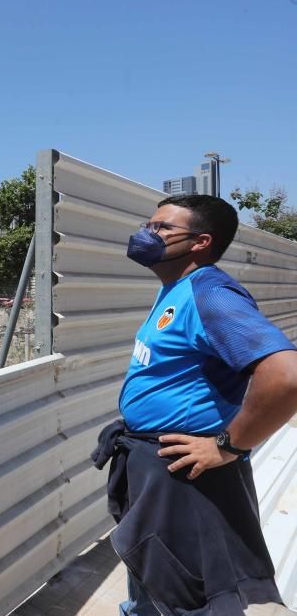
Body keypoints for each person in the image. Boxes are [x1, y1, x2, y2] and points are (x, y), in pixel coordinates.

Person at [92, 194, 297, 615]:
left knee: (187, 589)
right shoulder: (177, 289)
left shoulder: (211, 295)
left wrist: (228, 446)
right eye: (149, 225)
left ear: (201, 241)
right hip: (153, 460)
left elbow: (286, 376)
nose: (146, 235)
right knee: (153, 573)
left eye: (162, 228)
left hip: (185, 471)